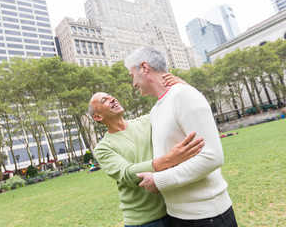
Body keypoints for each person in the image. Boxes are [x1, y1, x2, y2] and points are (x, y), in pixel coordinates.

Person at [125, 47, 238, 227]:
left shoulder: (184, 95)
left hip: (207, 218)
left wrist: (158, 180)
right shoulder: (155, 111)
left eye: (132, 76)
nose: (133, 84)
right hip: (175, 216)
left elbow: (212, 157)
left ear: (144, 67)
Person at [89, 91, 204, 227]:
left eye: (111, 96)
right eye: (104, 100)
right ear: (98, 117)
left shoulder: (146, 121)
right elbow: (128, 174)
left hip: (175, 210)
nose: (112, 99)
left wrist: (181, 85)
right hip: (144, 221)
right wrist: (169, 159)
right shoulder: (103, 148)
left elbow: (173, 109)